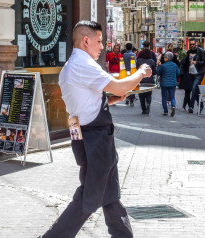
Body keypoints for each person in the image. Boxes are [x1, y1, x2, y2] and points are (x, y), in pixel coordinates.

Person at [42, 20, 152, 238]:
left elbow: (81, 104)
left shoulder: (70, 66)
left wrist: (110, 101)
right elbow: (119, 85)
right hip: (95, 138)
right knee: (90, 195)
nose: (102, 46)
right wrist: (141, 72)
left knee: (109, 193)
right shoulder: (83, 65)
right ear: (86, 41)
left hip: (87, 133)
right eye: (99, 41)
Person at [184, 38, 205, 113]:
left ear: (196, 43)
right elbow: (187, 62)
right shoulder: (189, 51)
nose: (192, 45)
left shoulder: (201, 51)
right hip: (191, 72)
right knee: (195, 89)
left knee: (194, 88)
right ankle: (201, 105)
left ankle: (191, 106)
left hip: (199, 73)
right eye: (190, 44)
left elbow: (204, 62)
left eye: (193, 44)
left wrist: (196, 62)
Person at [136, 42, 157, 115]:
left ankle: (143, 109)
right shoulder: (152, 61)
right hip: (149, 80)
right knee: (148, 94)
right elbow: (154, 72)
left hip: (140, 80)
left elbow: (136, 70)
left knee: (141, 95)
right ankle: (148, 104)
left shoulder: (139, 61)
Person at [157, 52, 180, 116]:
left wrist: (159, 66)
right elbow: (178, 73)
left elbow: (158, 73)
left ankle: (165, 111)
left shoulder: (163, 65)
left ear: (167, 58)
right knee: (172, 96)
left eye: (164, 57)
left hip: (164, 83)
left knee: (164, 97)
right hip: (172, 83)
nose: (163, 58)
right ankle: (173, 106)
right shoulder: (174, 65)